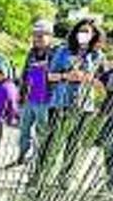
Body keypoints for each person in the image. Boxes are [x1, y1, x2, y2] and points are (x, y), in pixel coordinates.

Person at [44, 19, 107, 173]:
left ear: (94, 35)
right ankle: (40, 176)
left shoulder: (97, 55)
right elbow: (50, 76)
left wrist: (87, 78)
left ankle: (65, 178)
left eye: (87, 32)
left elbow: (102, 83)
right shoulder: (63, 51)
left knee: (74, 145)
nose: (83, 35)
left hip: (84, 105)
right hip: (61, 102)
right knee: (51, 143)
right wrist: (66, 76)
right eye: (81, 31)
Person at [10, 20, 56, 168]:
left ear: (50, 36)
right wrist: (20, 94)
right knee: (24, 130)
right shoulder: (32, 52)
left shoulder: (56, 53)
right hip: (29, 98)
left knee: (41, 133)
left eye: (41, 36)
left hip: (46, 99)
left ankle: (39, 161)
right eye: (35, 35)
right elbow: (25, 73)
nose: (36, 39)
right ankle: (21, 156)